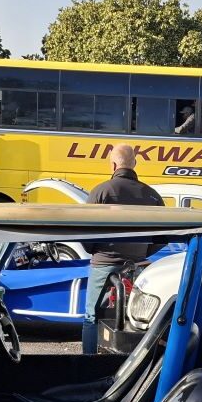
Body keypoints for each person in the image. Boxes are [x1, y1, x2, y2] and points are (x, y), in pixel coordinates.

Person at [81, 143, 164, 354]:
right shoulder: (152, 195)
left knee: (92, 316)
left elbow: (85, 232)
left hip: (104, 265)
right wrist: (143, 252)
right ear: (134, 164)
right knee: (136, 318)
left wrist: (96, 250)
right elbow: (164, 235)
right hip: (137, 267)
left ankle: (88, 362)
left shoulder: (101, 191)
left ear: (113, 165)